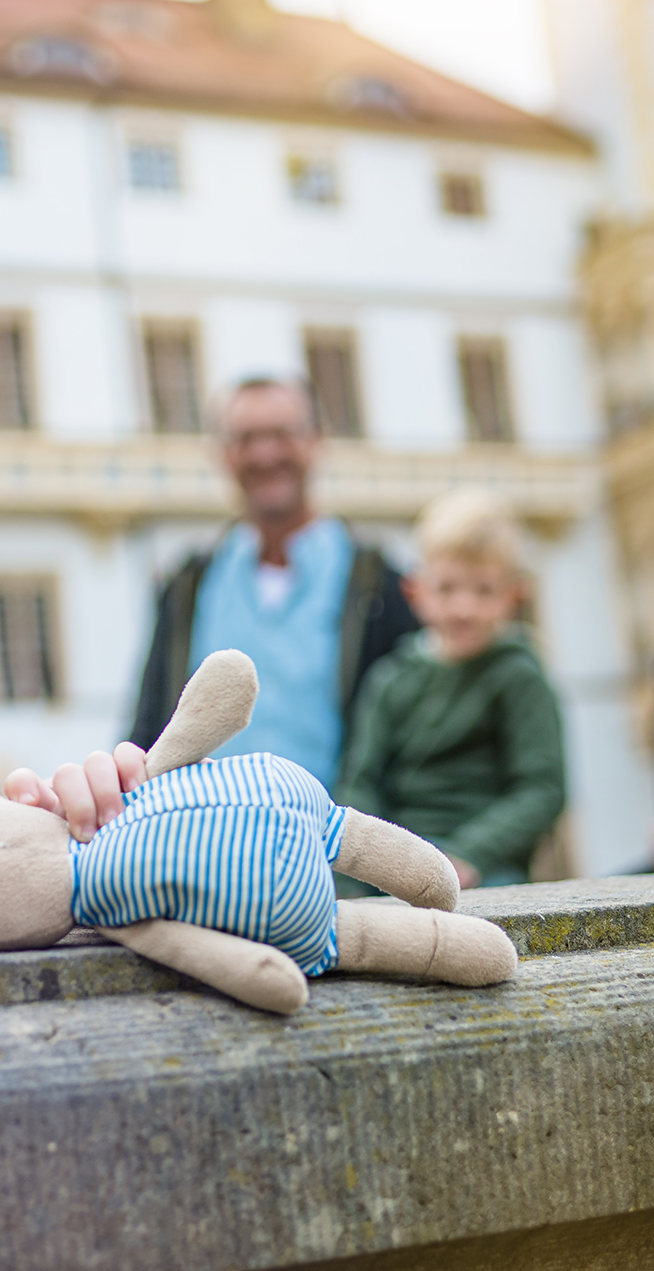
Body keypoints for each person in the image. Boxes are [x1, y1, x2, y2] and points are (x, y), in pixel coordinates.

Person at [129, 376, 419, 789]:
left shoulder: (382, 586)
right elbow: (149, 724)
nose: (265, 453)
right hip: (204, 840)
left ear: (317, 441)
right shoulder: (188, 586)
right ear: (223, 454)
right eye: (246, 438)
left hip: (334, 843)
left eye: (282, 434)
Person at [335, 490, 566, 892]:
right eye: (446, 589)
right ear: (416, 592)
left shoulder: (519, 677)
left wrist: (470, 855)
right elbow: (361, 781)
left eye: (483, 591)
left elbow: (540, 789)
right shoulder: (391, 679)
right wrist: (370, 861)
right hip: (396, 860)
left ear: (514, 595)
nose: (463, 607)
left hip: (483, 869)